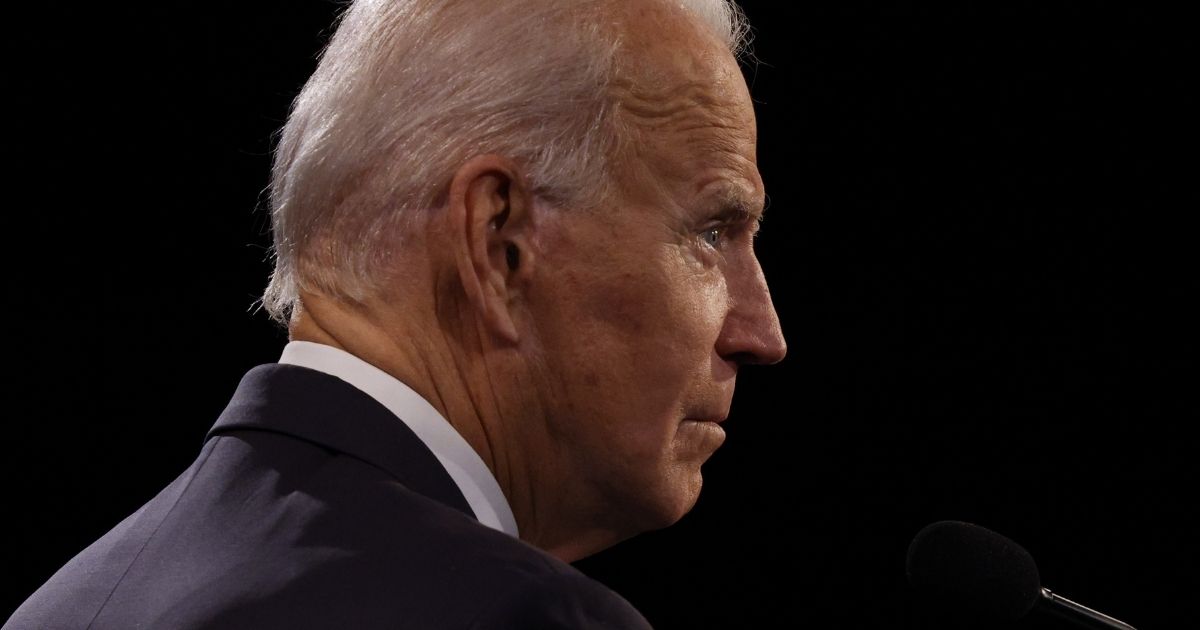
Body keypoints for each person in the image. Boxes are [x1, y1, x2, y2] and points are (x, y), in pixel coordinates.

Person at [6, 0, 785, 627]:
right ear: (500, 240)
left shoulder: (62, 605)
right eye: (711, 233)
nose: (761, 334)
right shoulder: (515, 612)